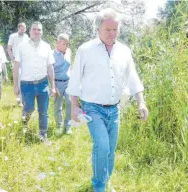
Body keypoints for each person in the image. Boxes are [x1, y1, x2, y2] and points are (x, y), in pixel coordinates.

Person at [66, 8, 149, 192]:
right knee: (102, 146)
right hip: (92, 108)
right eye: (108, 30)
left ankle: (106, 180)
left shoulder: (124, 51)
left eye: (115, 30)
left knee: (111, 150)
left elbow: (133, 77)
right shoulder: (85, 50)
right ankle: (99, 186)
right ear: (98, 30)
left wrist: (141, 102)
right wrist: (74, 105)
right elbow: (75, 79)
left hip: (114, 109)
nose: (112, 34)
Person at [13, 21, 56, 145]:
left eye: (39, 30)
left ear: (42, 32)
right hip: (27, 84)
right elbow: (16, 66)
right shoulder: (21, 46)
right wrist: (15, 85)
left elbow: (50, 67)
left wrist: (53, 86)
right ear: (30, 31)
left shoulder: (47, 47)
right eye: (34, 29)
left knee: (44, 111)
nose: (37, 32)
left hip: (43, 84)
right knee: (29, 108)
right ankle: (23, 127)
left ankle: (43, 135)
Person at [53, 33, 72, 135]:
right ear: (58, 43)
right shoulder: (52, 54)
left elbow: (70, 66)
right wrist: (53, 86)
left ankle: (68, 126)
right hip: (57, 83)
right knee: (58, 105)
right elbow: (49, 72)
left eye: (67, 44)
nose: (66, 46)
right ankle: (59, 126)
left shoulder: (69, 51)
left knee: (70, 102)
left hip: (68, 82)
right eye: (64, 44)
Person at [7, 22, 29, 107]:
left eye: (25, 28)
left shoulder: (27, 37)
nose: (23, 30)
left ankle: (23, 99)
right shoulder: (12, 36)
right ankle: (19, 100)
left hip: (25, 62)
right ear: (19, 28)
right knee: (18, 79)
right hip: (16, 61)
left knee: (24, 79)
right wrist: (13, 59)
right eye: (22, 28)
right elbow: (9, 49)